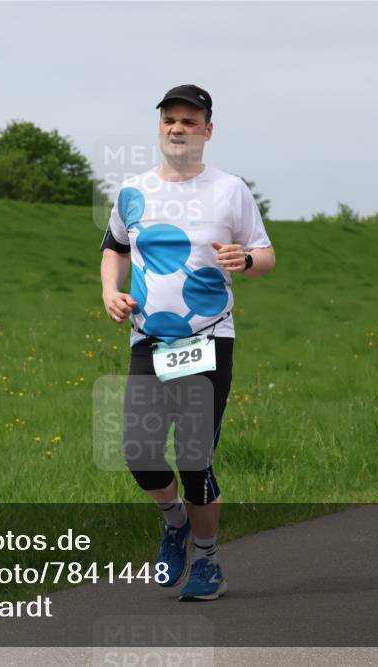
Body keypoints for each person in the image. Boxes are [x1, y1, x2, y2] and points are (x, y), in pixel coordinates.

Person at [99, 84, 275, 599]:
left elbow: (264, 255)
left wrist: (243, 260)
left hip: (208, 338)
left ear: (208, 131)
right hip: (149, 340)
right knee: (139, 453)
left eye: (189, 121)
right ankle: (175, 522)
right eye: (170, 120)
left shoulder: (230, 190)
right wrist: (111, 291)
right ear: (161, 128)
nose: (177, 128)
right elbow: (114, 248)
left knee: (195, 459)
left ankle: (209, 559)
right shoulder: (134, 191)